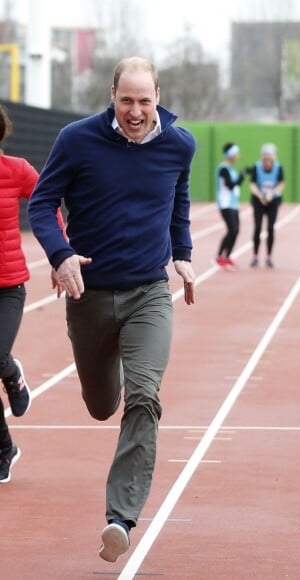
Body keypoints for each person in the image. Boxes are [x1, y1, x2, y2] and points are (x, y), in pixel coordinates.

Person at [27, 56, 196, 563]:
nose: (136, 111)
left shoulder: (179, 144)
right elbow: (41, 203)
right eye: (127, 100)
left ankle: (120, 518)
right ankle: (108, 367)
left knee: (144, 398)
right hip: (89, 296)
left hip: (148, 292)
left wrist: (183, 254)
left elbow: (179, 200)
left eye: (145, 101)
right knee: (103, 404)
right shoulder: (77, 140)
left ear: (158, 98)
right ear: (112, 96)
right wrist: (61, 256)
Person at [0, 104, 36, 484]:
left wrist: (61, 256)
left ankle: (12, 374)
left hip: (9, 286)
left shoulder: (17, 170)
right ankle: (4, 448)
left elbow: (44, 203)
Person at [248, 143, 285, 268]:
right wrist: (260, 196)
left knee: (270, 227)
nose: (267, 161)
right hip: (259, 200)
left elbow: (281, 184)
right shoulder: (257, 167)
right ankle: (255, 256)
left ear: (274, 158)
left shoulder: (278, 168)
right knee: (258, 227)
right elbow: (252, 184)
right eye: (265, 158)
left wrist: (272, 194)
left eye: (269, 158)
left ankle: (269, 256)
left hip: (272, 200)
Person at [214, 142, 244, 270]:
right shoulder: (223, 169)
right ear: (230, 154)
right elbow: (231, 185)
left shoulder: (231, 169)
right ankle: (219, 256)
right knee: (232, 229)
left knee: (236, 230)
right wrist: (242, 175)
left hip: (233, 204)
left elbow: (236, 185)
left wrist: (242, 176)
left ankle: (227, 257)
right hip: (225, 204)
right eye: (236, 153)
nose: (238, 155)